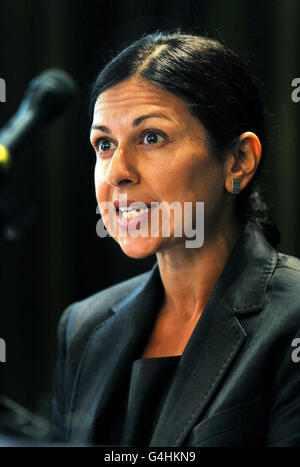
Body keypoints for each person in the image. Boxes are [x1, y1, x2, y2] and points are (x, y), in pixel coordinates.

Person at [50, 30, 300, 447]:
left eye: (151, 137)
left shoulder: (291, 320)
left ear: (238, 161)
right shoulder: (82, 328)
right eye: (105, 144)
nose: (117, 172)